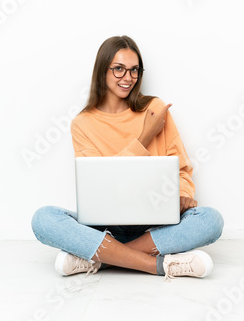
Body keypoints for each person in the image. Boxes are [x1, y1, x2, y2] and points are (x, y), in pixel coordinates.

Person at [31, 35, 224, 281]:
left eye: (134, 70)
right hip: (104, 227)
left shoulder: (154, 108)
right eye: (119, 69)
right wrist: (144, 137)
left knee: (211, 220)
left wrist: (184, 194)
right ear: (102, 70)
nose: (128, 77)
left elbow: (181, 166)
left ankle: (98, 258)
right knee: (43, 219)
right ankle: (159, 265)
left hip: (154, 226)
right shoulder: (83, 124)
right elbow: (102, 184)